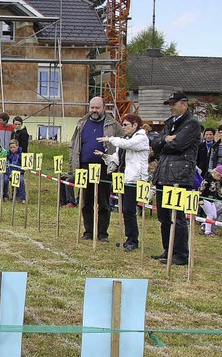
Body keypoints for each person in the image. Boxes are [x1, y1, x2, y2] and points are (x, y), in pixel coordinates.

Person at [150, 91, 201, 265]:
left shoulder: (192, 124)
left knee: (176, 216)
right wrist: (165, 139)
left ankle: (180, 254)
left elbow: (177, 145)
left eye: (174, 104)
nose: (171, 107)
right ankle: (168, 249)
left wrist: (164, 143)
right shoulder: (170, 123)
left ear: (184, 104)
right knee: (163, 216)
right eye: (169, 104)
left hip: (179, 175)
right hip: (163, 174)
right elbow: (155, 144)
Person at [69, 96, 124, 242]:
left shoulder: (112, 124)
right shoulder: (82, 123)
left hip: (104, 167)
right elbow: (73, 145)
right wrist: (74, 165)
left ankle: (102, 233)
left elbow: (123, 142)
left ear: (103, 108)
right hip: (84, 167)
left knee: (104, 202)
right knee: (86, 201)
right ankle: (88, 231)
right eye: (92, 107)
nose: (94, 110)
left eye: (97, 108)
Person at [96, 113, 149, 251]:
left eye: (125, 125)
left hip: (135, 179)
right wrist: (105, 156)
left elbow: (129, 145)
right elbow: (117, 158)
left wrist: (110, 139)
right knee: (125, 210)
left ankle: (133, 240)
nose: (123, 127)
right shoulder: (125, 139)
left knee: (129, 210)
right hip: (124, 178)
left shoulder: (141, 138)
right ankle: (129, 238)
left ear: (135, 125)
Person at [198, 165, 222, 236]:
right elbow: (201, 189)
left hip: (211, 200)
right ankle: (207, 231)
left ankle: (204, 225)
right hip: (204, 199)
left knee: (214, 216)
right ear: (217, 173)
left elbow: (217, 192)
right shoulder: (207, 180)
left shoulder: (217, 181)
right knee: (210, 215)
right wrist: (200, 199)